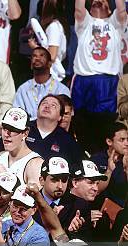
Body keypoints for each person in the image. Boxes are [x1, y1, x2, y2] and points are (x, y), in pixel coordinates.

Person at [73, 0, 127, 153]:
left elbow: (122, 10)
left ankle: (103, 159)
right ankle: (85, 158)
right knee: (82, 122)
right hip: (84, 79)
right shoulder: (85, 23)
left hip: (108, 80)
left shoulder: (115, 23)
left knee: (106, 124)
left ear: (110, 8)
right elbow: (78, 8)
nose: (98, 0)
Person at [0, 107, 43, 186]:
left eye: (13, 129)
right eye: (4, 128)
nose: (6, 134)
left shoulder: (35, 164)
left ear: (25, 133)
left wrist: (3, 176)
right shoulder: (0, 156)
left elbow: (34, 197)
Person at [14, 47, 70, 120]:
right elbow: (16, 116)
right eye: (34, 56)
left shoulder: (61, 89)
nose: (37, 58)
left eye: (41, 55)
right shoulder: (23, 89)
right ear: (31, 64)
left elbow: (65, 117)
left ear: (50, 64)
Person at [28, 0, 68, 81]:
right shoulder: (57, 25)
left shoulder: (53, 27)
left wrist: (35, 47)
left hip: (52, 74)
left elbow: (52, 56)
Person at [90, 122, 128, 206]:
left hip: (122, 210)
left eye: (127, 139)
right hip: (99, 209)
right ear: (109, 141)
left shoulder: (126, 160)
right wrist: (109, 171)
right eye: (122, 140)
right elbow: (96, 191)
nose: (126, 143)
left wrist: (126, 168)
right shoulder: (97, 160)